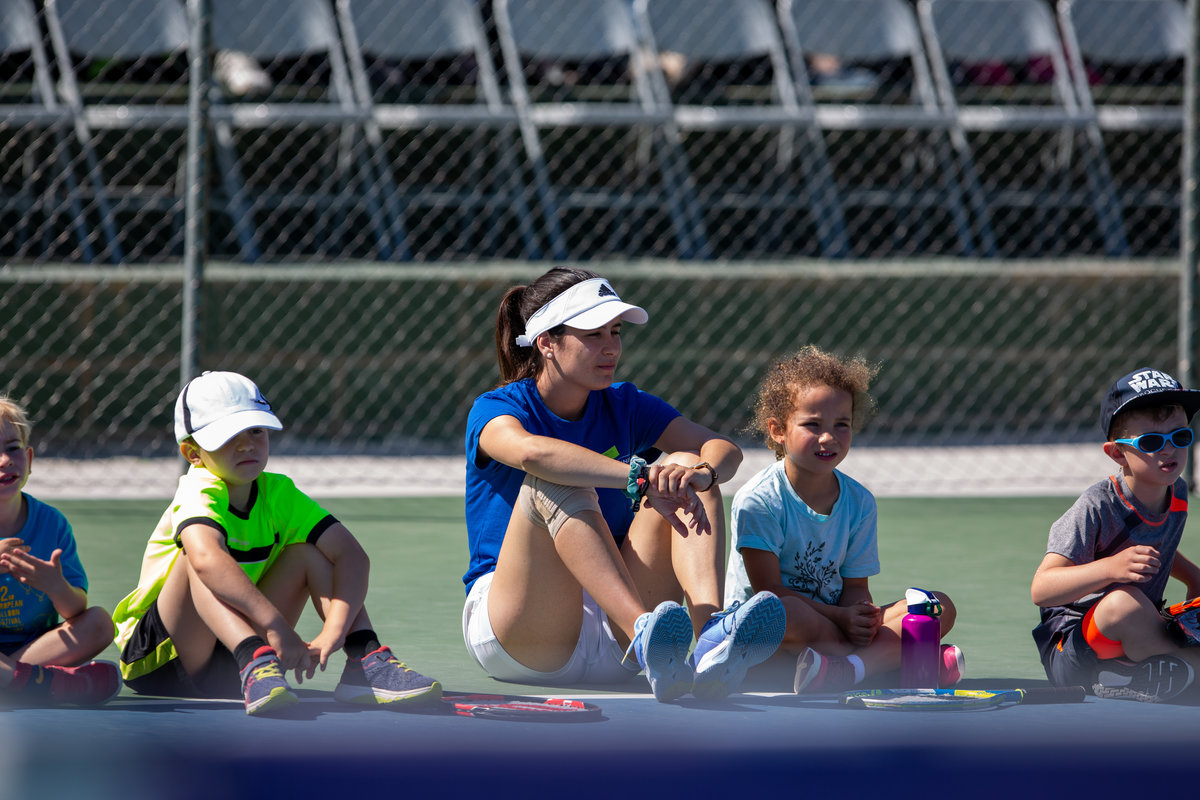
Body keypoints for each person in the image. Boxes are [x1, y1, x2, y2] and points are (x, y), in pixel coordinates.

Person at [463, 267, 785, 702]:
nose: (611, 347)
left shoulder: (625, 403)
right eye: (593, 334)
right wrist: (638, 476)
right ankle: (647, 632)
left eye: (615, 332)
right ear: (547, 343)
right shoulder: (497, 407)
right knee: (553, 479)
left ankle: (709, 633)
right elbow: (531, 454)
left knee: (686, 464)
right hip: (523, 634)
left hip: (615, 639)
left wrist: (701, 474)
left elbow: (722, 449)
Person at [112, 371, 441, 716]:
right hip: (161, 660)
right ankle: (253, 656)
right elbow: (207, 559)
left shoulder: (279, 493)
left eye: (256, 430)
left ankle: (363, 659)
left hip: (234, 665)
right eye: (228, 436)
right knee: (197, 558)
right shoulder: (198, 489)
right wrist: (275, 626)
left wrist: (335, 631)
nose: (246, 444)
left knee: (308, 555)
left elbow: (352, 556)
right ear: (192, 453)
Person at [726, 347, 961, 693]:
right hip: (769, 636)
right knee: (787, 611)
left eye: (842, 424)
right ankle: (895, 661)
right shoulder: (759, 500)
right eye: (812, 425)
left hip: (835, 625)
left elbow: (854, 589)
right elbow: (768, 594)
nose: (828, 437)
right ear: (778, 430)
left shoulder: (859, 501)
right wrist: (842, 620)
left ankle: (847, 670)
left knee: (936, 605)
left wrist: (861, 619)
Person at [1032, 367, 1200, 703]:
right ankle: (1187, 667)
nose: (1169, 449)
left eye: (1180, 436)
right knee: (1124, 604)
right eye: (1152, 440)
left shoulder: (1176, 491)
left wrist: (1194, 577)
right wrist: (1110, 568)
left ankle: (1140, 673)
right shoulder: (1097, 506)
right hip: (1076, 651)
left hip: (1137, 632)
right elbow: (1042, 589)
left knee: (1136, 608)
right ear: (1117, 453)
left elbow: (1161, 548)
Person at [0, 396, 120, 706]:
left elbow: (75, 611)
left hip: (37, 647)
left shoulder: (52, 523)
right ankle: (51, 684)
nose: (4, 460)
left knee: (100, 623)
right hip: (32, 666)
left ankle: (13, 678)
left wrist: (55, 586)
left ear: (29, 458)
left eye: (12, 448)